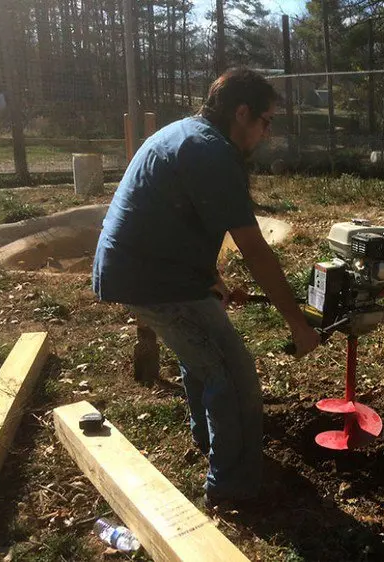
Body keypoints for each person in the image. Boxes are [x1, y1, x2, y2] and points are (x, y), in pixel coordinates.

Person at [92, 68, 320, 507]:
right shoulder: (211, 152)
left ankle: (210, 439)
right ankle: (232, 487)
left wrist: (213, 280)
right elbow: (254, 248)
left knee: (202, 355)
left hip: (146, 269)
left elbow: (176, 220)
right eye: (266, 121)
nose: (267, 133)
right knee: (233, 377)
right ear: (241, 112)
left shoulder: (186, 134)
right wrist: (297, 323)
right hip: (153, 280)